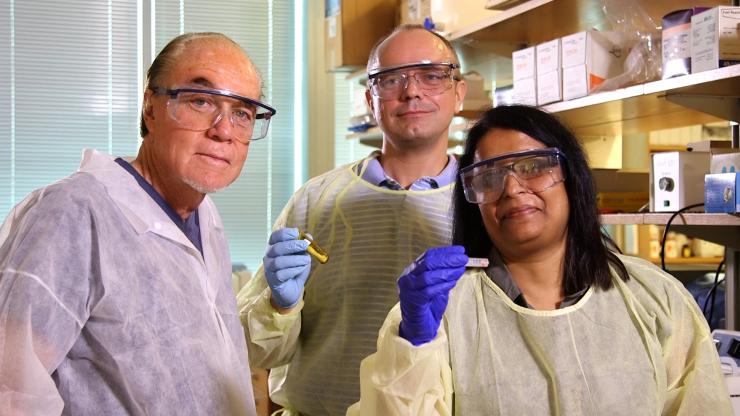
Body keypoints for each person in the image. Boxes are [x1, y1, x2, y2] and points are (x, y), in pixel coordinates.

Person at [349, 105, 732, 415]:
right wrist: (413, 345)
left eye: (533, 166)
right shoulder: (441, 310)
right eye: (489, 176)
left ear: (571, 175)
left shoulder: (653, 297)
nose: (513, 189)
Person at [0, 32, 276, 415]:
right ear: (150, 106)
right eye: (200, 100)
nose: (224, 131)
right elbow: (10, 390)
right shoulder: (74, 212)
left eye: (242, 113)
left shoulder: (202, 214)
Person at [237, 24, 467, 415]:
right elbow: (258, 349)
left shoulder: (486, 202)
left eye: (432, 76)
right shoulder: (316, 200)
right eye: (391, 79)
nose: (412, 91)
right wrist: (279, 305)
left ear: (459, 92)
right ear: (370, 100)